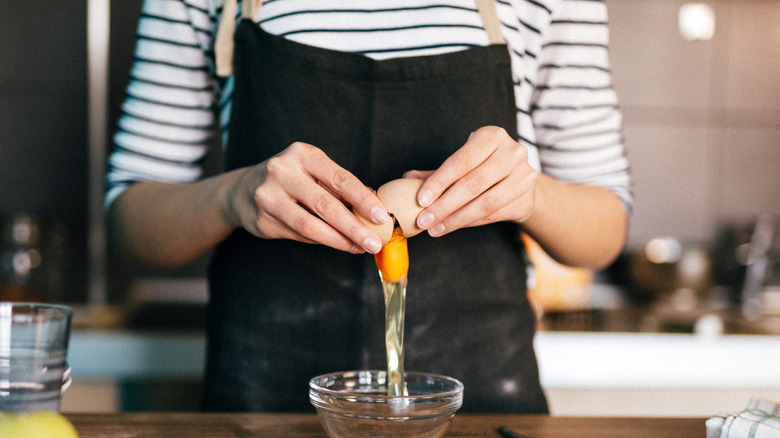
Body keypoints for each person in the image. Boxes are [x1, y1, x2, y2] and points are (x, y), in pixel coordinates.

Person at [106, 0, 631, 413]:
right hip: (260, 406)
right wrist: (233, 195)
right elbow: (130, 225)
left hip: (479, 402)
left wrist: (530, 193)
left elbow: (605, 230)